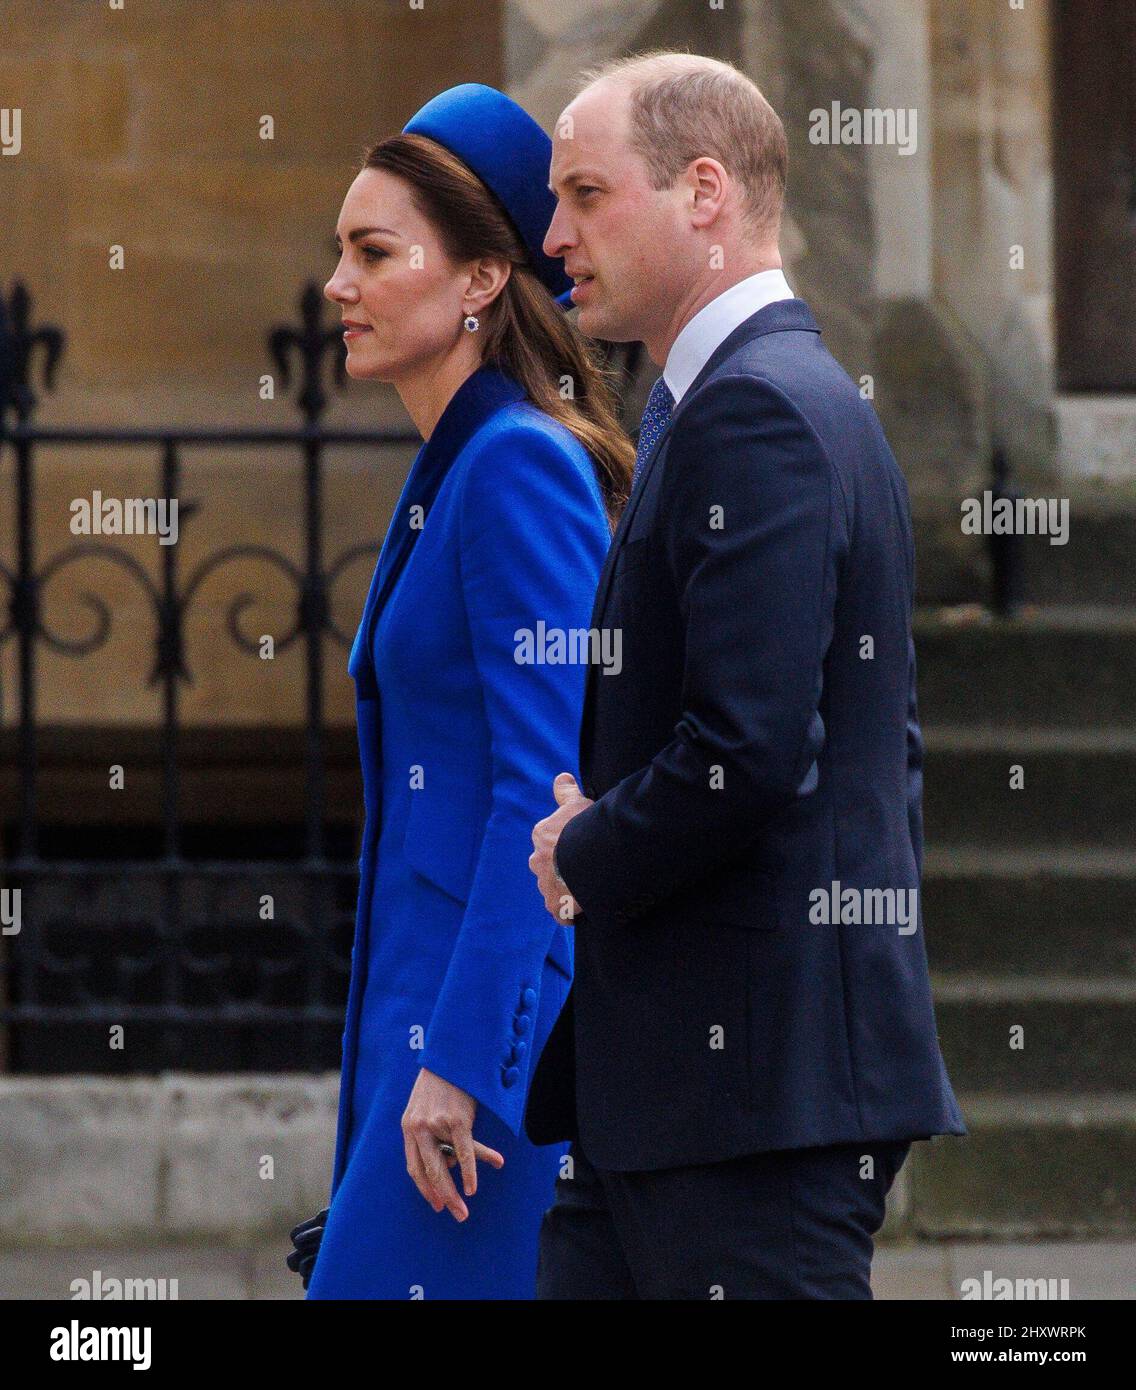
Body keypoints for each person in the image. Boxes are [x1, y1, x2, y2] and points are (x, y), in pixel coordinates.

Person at [526, 51, 966, 1300]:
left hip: (751, 1105)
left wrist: (584, 848)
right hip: (679, 1097)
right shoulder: (758, 396)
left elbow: (752, 746)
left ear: (703, 192)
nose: (555, 232)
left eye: (586, 193)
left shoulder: (756, 412)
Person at [301, 83, 633, 1299]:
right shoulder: (459, 461)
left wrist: (466, 1062)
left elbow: (546, 789)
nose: (336, 284)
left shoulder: (514, 468)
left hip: (472, 1050)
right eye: (342, 251)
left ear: (482, 279)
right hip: (417, 1019)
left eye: (372, 252)